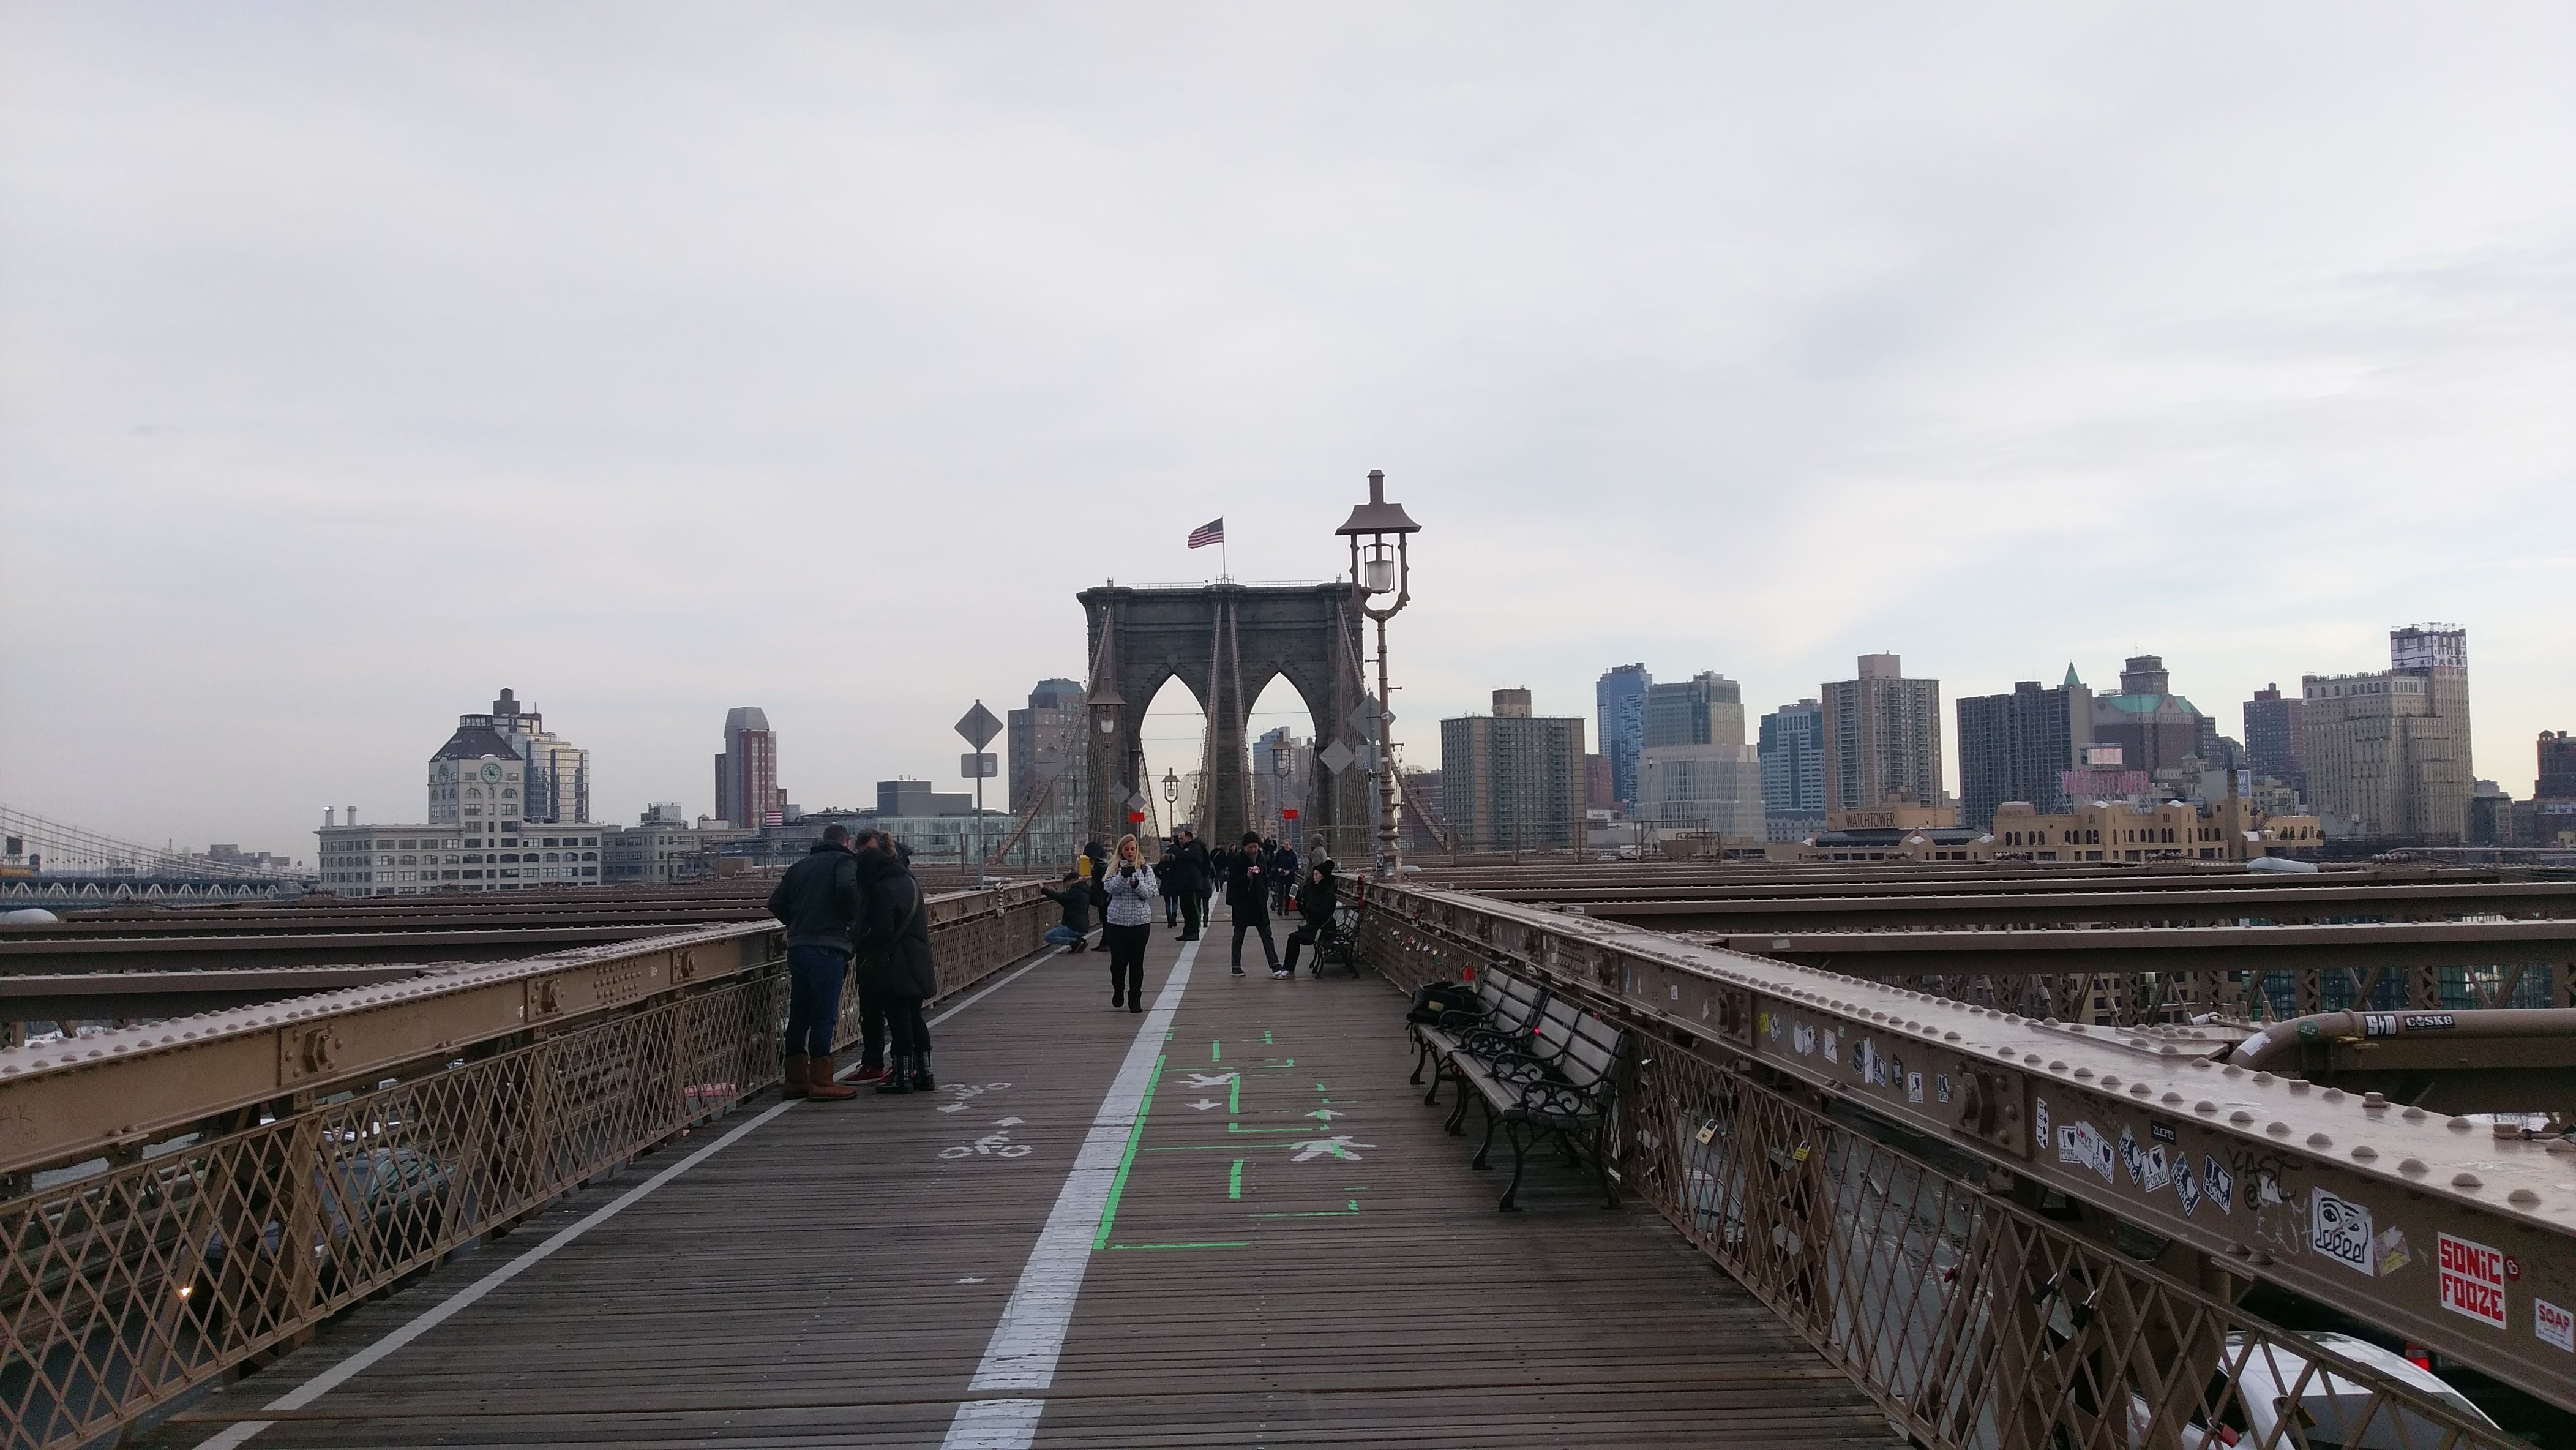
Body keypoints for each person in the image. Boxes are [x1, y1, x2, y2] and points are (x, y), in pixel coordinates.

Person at [762, 824, 863, 1101]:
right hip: (828, 947)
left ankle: (796, 1080)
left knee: (800, 1014)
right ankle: (821, 1081)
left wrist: (797, 924)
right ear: (847, 842)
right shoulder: (844, 861)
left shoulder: (800, 866)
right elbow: (846, 889)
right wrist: (847, 922)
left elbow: (776, 902)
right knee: (824, 1015)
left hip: (798, 946)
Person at [853, 829, 939, 1094]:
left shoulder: (882, 886)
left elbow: (882, 930)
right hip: (916, 958)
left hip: (894, 963)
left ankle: (902, 1077)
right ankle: (924, 1073)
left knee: (899, 1019)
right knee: (914, 1017)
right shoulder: (908, 879)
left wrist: (859, 943)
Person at [1098, 834, 1157, 1012]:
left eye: (1133, 849)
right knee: (1118, 963)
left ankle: (1135, 999)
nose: (1130, 852)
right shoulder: (1113, 869)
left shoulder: (1146, 870)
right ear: (1121, 851)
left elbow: (1152, 893)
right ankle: (1118, 989)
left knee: (1136, 963)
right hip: (1118, 923)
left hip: (1140, 923)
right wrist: (1123, 877)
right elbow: (1109, 889)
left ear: (1136, 850)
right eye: (1126, 849)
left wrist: (1137, 884)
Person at [1223, 830, 1282, 977]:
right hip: (1242, 903)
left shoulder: (1261, 858)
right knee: (1239, 936)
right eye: (1251, 847)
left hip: (1258, 903)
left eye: (1256, 846)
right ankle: (1236, 966)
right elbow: (1233, 882)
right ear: (1244, 847)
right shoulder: (1237, 859)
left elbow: (1264, 878)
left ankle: (1275, 965)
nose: (1254, 850)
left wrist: (1264, 895)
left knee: (1267, 934)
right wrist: (1247, 876)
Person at [1281, 849, 1338, 977]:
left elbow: (1321, 913)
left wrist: (1306, 906)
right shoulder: (1314, 889)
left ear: (1323, 876)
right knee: (1294, 937)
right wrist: (1299, 899)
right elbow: (1307, 910)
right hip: (1314, 926)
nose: (1314, 877)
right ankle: (1288, 969)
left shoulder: (1329, 894)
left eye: (1316, 875)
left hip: (1323, 930)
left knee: (1294, 938)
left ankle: (1289, 970)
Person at [1169, 826, 1212, 941]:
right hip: (1184, 884)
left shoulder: (1196, 847)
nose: (1181, 840)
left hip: (1193, 884)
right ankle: (1187, 932)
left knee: (1193, 908)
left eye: (1182, 838)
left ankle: (1194, 932)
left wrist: (1174, 847)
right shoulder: (1187, 848)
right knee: (1185, 909)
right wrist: (1176, 846)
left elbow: (1185, 856)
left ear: (1189, 838)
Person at [1039, 868, 1095, 951]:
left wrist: (1043, 890)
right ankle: (1079, 942)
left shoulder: (1075, 890)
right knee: (1057, 933)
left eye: (1066, 882)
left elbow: (1061, 897)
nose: (1065, 884)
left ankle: (1075, 942)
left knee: (1049, 936)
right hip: (1082, 926)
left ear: (1072, 880)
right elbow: (1065, 901)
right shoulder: (1084, 890)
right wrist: (1054, 894)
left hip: (1074, 926)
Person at [1270, 838, 1299, 915]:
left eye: (1287, 845)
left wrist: (1289, 871)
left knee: (1288, 893)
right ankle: (1280, 910)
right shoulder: (1280, 853)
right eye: (1285, 844)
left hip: (1289, 876)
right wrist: (1279, 869)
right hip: (1280, 876)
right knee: (1280, 892)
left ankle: (1287, 909)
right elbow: (1275, 863)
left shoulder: (1293, 854)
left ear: (1290, 846)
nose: (1286, 846)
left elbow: (1296, 866)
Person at [1156, 839, 1181, 927]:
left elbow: (1155, 870)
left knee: (1167, 903)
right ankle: (1174, 915)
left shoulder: (1162, 863)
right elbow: (1180, 872)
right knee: (1175, 901)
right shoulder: (1176, 862)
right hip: (1175, 884)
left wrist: (1162, 877)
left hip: (1165, 884)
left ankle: (1169, 919)